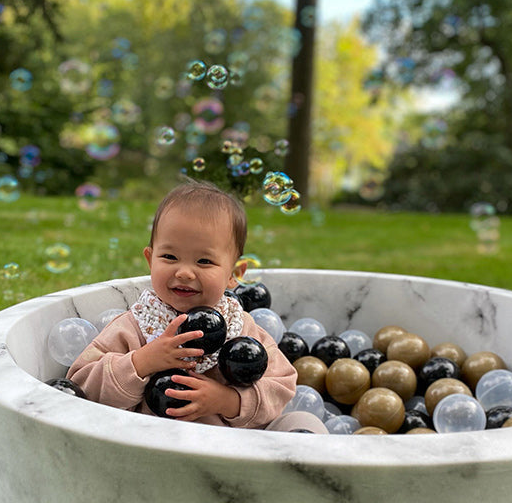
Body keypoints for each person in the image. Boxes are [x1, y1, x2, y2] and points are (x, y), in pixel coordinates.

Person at [67, 180, 324, 431]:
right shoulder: (135, 325)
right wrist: (141, 362)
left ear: (235, 273)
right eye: (169, 257)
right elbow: (81, 384)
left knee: (302, 422)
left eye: (203, 261)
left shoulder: (242, 328)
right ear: (150, 259)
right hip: (154, 447)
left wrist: (228, 401)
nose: (184, 273)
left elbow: (283, 386)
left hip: (237, 452)